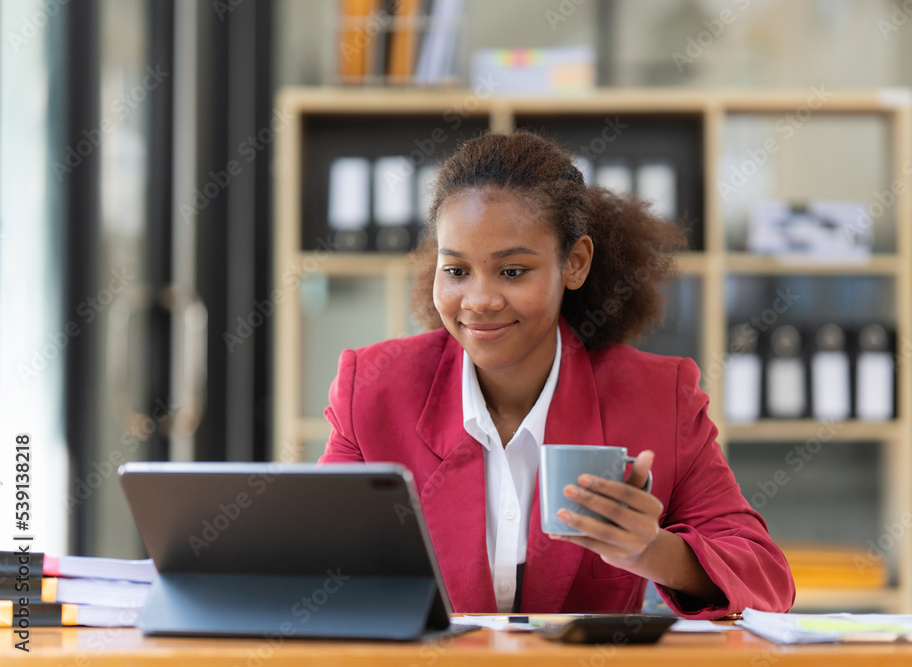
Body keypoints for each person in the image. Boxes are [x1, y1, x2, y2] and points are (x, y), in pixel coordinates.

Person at [319, 129, 795, 619]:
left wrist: (650, 551)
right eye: (457, 271)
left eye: (512, 272)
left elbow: (768, 578)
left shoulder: (659, 397)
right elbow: (311, 562)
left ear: (575, 263)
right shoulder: (372, 388)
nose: (479, 301)